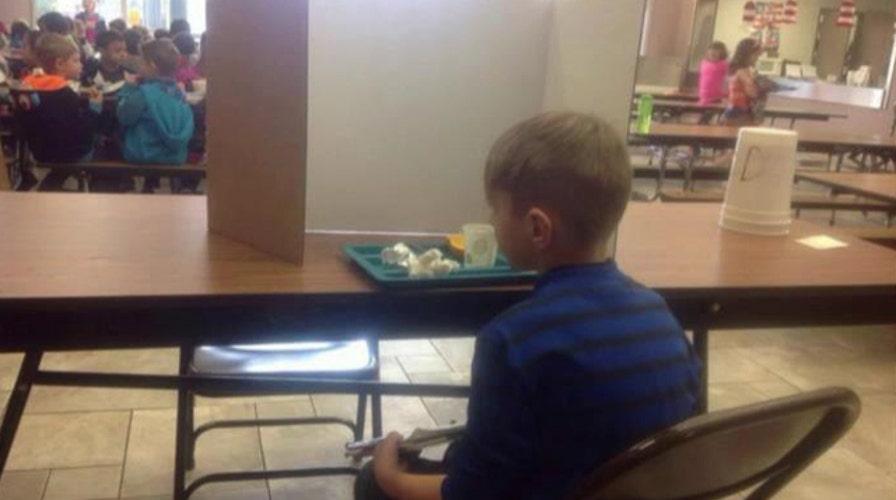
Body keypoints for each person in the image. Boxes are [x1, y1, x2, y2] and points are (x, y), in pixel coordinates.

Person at [355, 112, 701, 500]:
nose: (491, 219)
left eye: (495, 208)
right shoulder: (660, 314)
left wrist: (391, 477)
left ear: (537, 228)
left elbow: (472, 494)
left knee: (372, 484)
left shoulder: (512, 340)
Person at [18, 33, 102, 191]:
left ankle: (53, 181)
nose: (81, 65)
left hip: (40, 152)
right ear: (60, 64)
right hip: (71, 154)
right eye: (76, 61)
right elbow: (82, 131)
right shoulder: (66, 95)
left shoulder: (28, 88)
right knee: (98, 144)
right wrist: (94, 108)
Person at [117, 39, 194, 171]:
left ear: (152, 66)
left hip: (143, 154)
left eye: (142, 62)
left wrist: (128, 88)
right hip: (175, 156)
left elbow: (123, 116)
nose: (139, 66)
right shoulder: (179, 94)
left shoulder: (143, 94)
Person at [721, 38, 763, 126]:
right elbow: (752, 93)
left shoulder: (735, 69)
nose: (757, 59)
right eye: (755, 55)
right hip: (740, 113)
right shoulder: (743, 71)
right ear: (747, 55)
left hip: (732, 110)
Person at [698, 41, 728, 107]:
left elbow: (726, 80)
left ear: (722, 53)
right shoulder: (704, 63)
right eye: (710, 50)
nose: (712, 52)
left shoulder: (723, 64)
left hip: (717, 98)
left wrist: (725, 95)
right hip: (704, 98)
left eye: (716, 51)